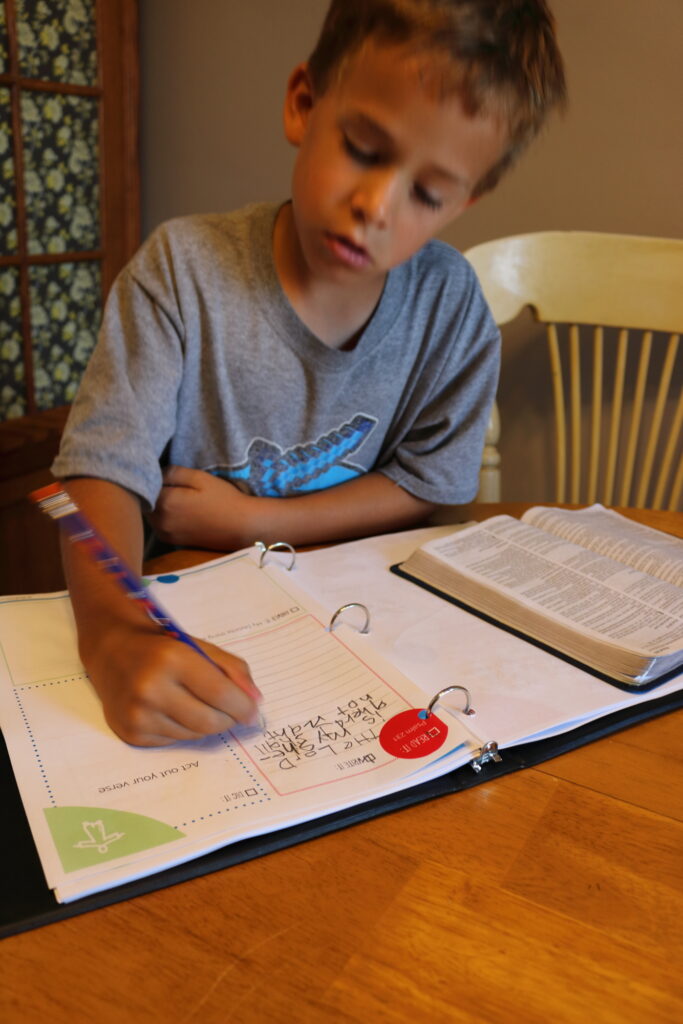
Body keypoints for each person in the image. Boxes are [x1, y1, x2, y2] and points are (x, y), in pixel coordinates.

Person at [52, 0, 566, 746]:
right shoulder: (182, 270)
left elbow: (431, 481)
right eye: (362, 148)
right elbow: (102, 468)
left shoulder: (448, 303)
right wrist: (112, 632)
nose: (375, 207)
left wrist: (253, 521)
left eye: (427, 194)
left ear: (465, 199)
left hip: (364, 629)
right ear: (303, 103)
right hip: (189, 614)